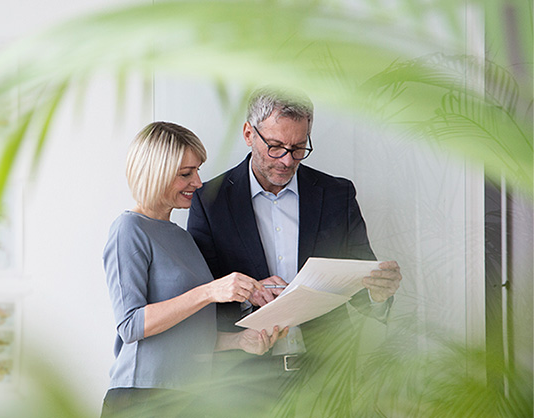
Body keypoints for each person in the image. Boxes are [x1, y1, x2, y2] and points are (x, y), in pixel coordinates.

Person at [187, 89, 402, 407]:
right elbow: (200, 297)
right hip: (242, 385)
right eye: (275, 147)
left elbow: (361, 282)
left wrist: (378, 294)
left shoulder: (336, 195)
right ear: (249, 134)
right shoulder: (210, 201)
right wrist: (249, 294)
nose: (287, 160)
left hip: (326, 379)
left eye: (299, 148)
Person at [101, 121, 288, 417]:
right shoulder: (130, 229)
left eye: (198, 170)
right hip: (144, 397)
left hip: (191, 396)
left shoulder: (182, 237)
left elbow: (186, 334)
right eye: (186, 174)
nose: (198, 183)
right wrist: (211, 291)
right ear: (155, 173)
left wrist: (239, 341)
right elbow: (131, 325)